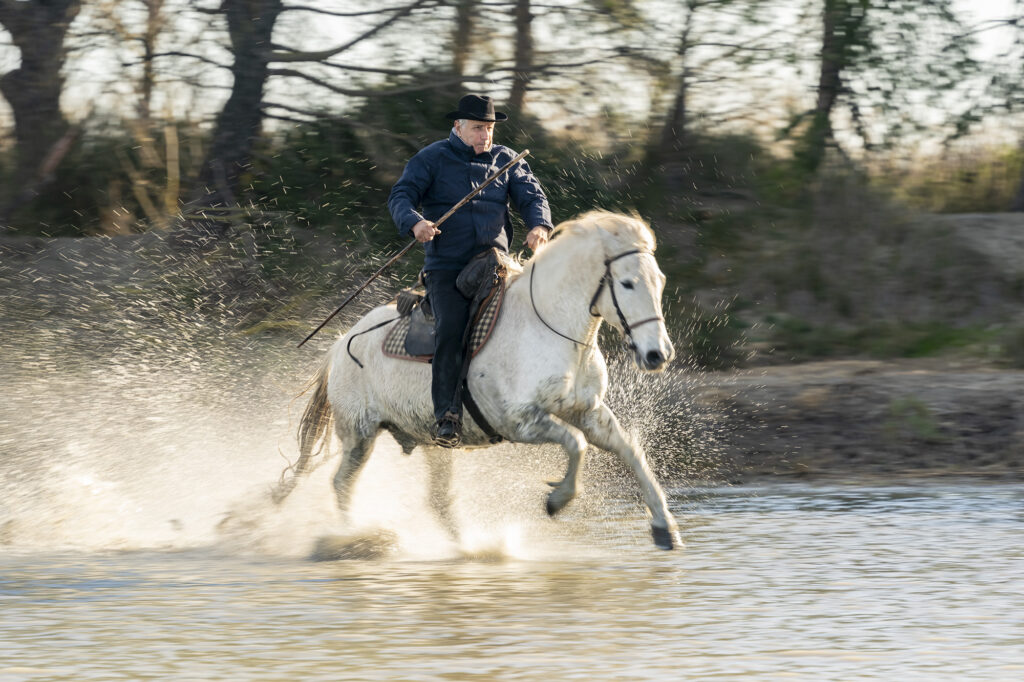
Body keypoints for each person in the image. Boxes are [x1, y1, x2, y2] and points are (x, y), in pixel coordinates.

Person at [388, 94, 553, 448]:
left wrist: (540, 225)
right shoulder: (431, 158)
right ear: (458, 127)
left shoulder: (507, 159)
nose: (485, 135)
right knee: (451, 330)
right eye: (478, 128)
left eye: (489, 128)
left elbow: (532, 195)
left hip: (498, 266)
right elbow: (401, 196)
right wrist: (415, 223)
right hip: (447, 268)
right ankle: (446, 415)